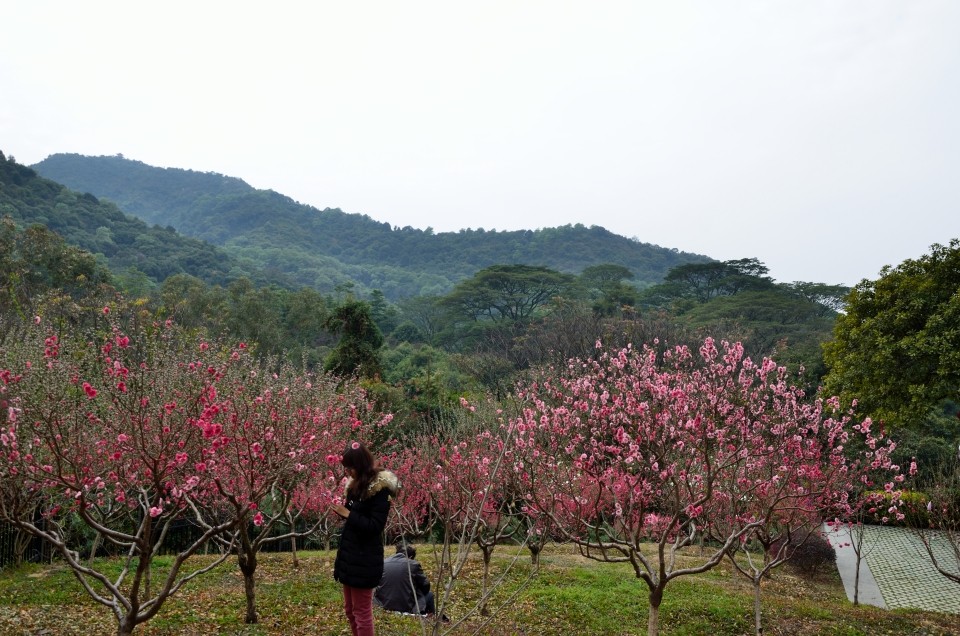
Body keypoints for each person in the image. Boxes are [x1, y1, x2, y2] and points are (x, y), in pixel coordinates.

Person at [332, 442, 399, 636]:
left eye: (350, 467)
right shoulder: (354, 486)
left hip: (365, 558)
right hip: (349, 556)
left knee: (361, 612)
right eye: (346, 468)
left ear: (360, 464)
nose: (348, 472)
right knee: (350, 610)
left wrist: (348, 515)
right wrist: (344, 512)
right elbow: (352, 514)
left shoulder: (379, 489)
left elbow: (375, 526)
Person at [374, 541, 435, 615]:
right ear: (411, 557)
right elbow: (425, 586)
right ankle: (431, 619)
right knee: (430, 595)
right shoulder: (413, 564)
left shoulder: (384, 563)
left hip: (383, 605)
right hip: (406, 607)